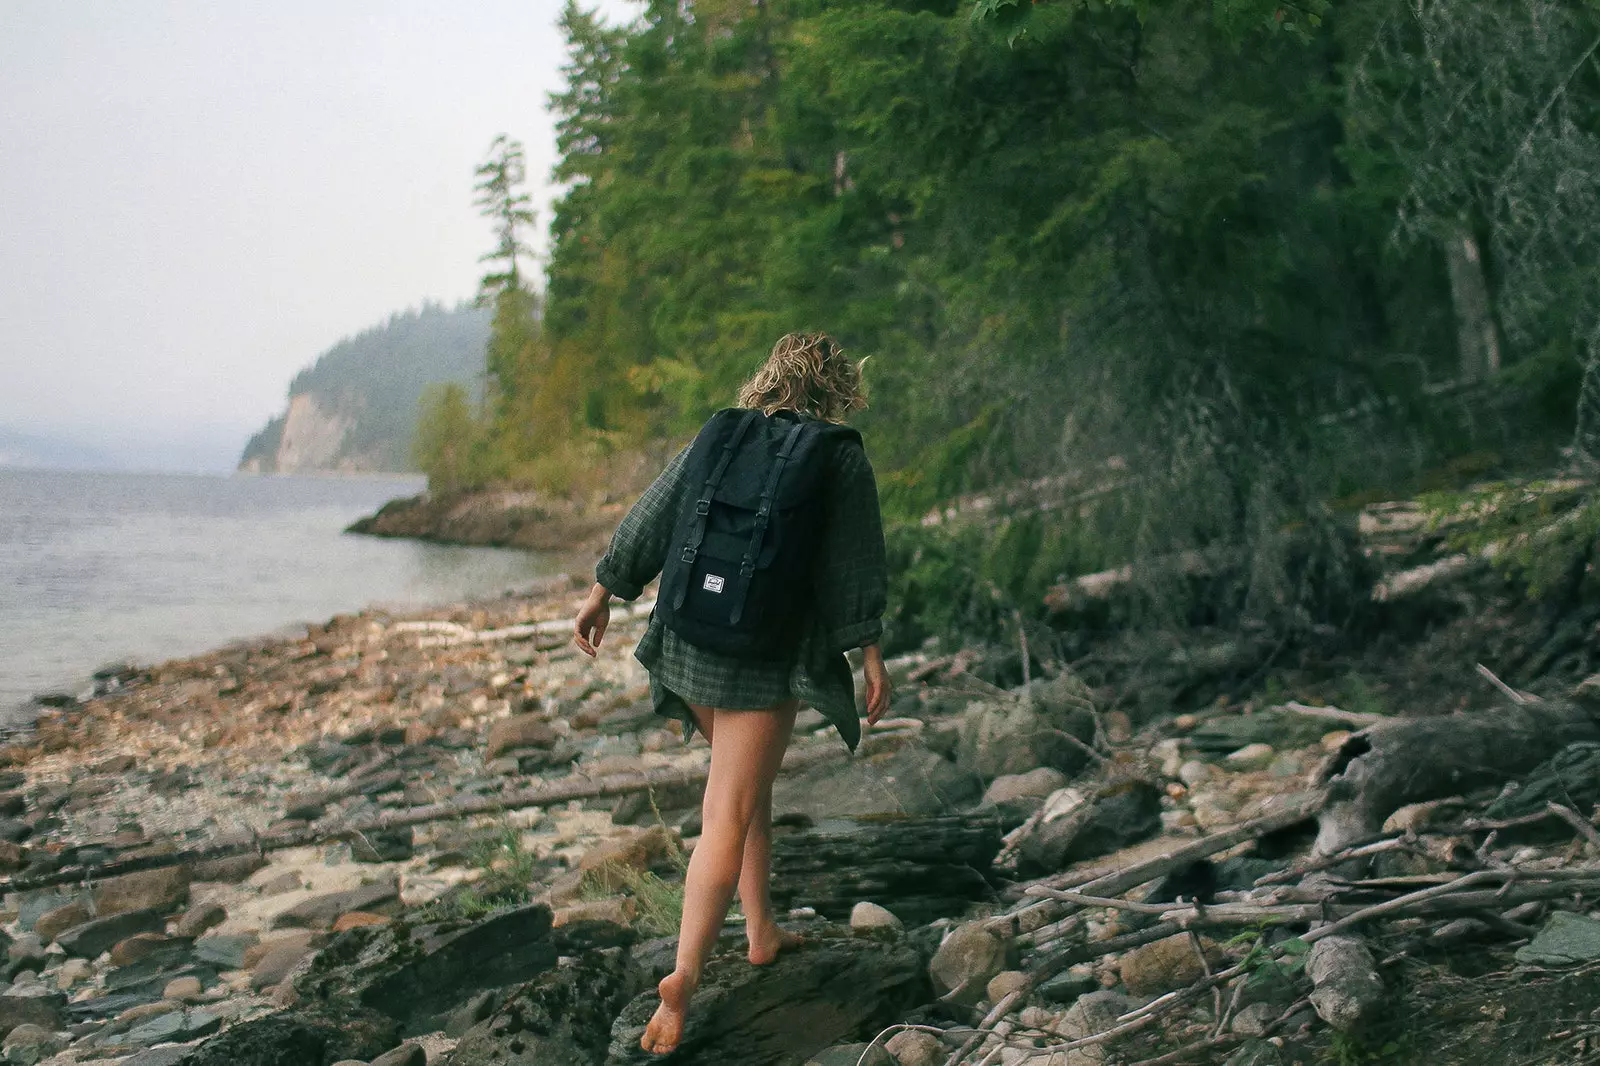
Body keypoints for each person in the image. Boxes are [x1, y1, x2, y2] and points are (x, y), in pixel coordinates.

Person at [573, 331, 892, 1056]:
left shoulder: (722, 433)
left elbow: (654, 514)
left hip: (691, 640)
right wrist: (869, 652)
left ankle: (759, 930)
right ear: (837, 388)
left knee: (749, 795)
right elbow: (855, 563)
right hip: (762, 653)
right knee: (728, 809)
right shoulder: (838, 455)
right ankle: (683, 978)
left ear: (768, 379)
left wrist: (603, 591)